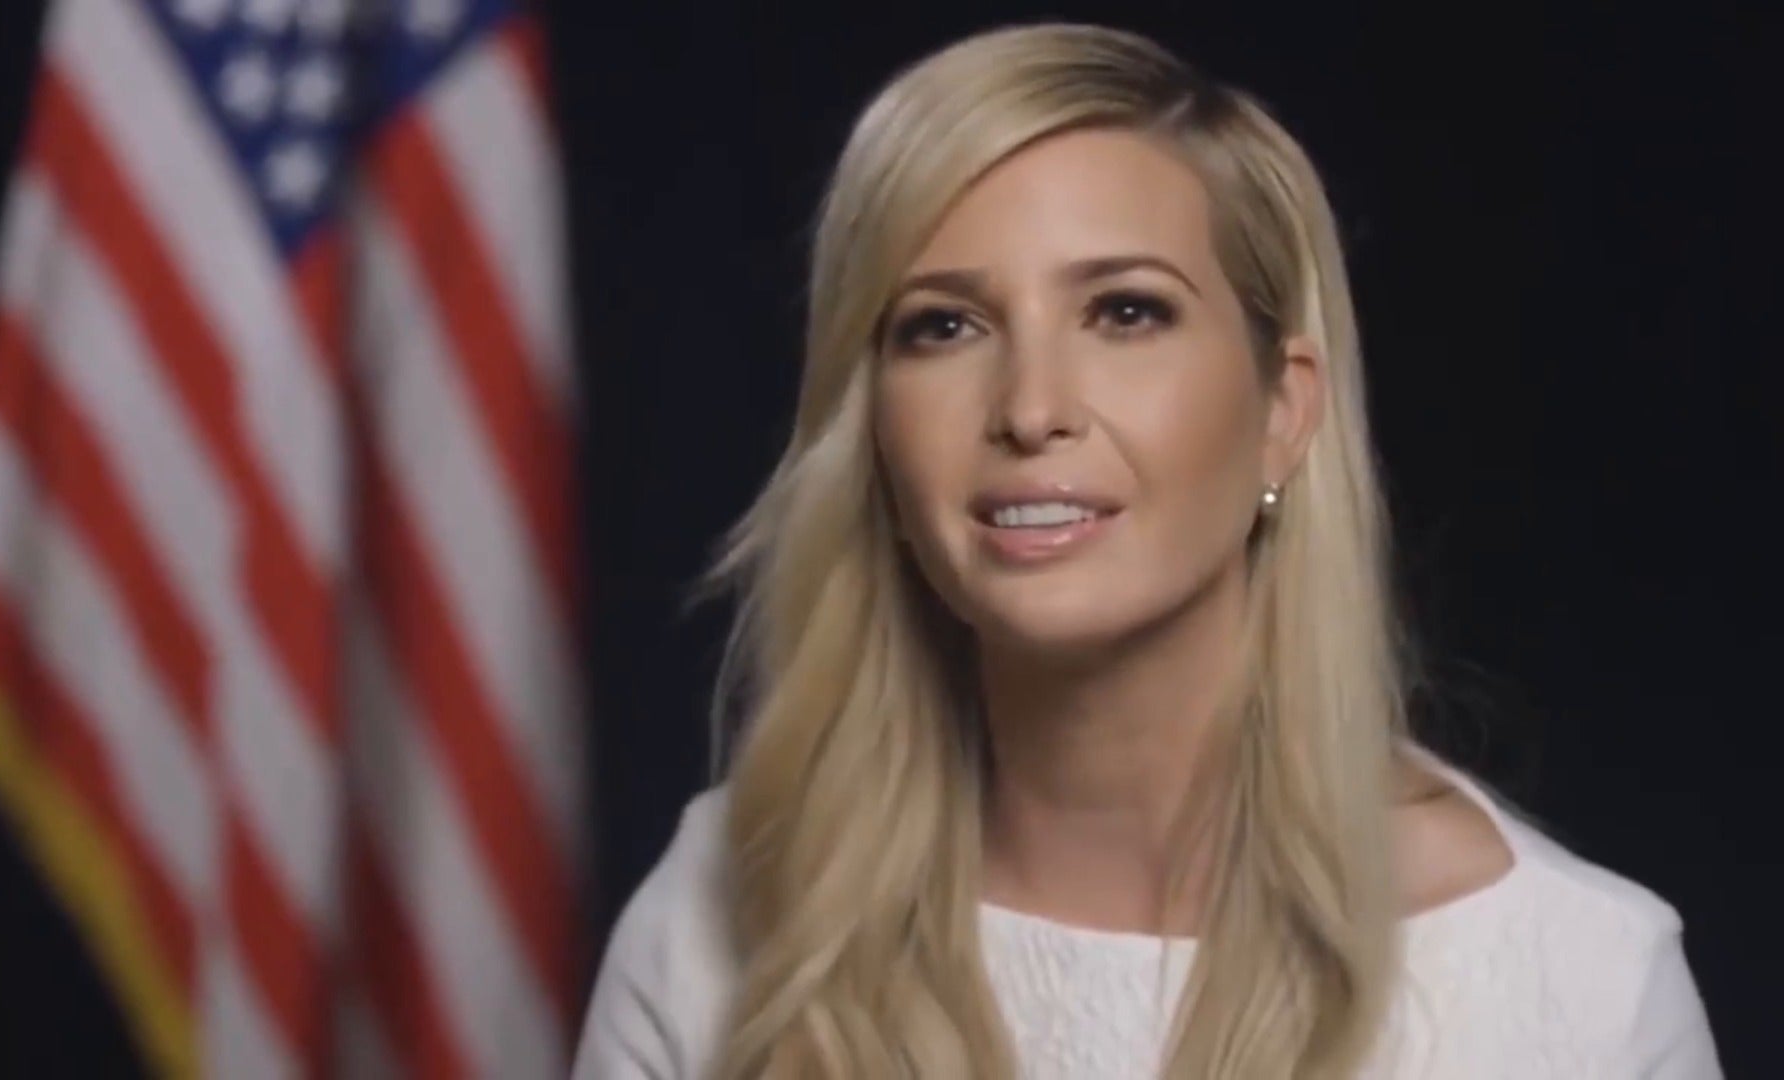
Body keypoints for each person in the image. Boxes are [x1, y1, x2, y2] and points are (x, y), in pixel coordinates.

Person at [572, 21, 1721, 1079]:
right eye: (944, 326)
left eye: (1126, 312)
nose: (1031, 409)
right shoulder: (719, 914)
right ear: (870, 426)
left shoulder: (1577, 984)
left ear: (1284, 408)